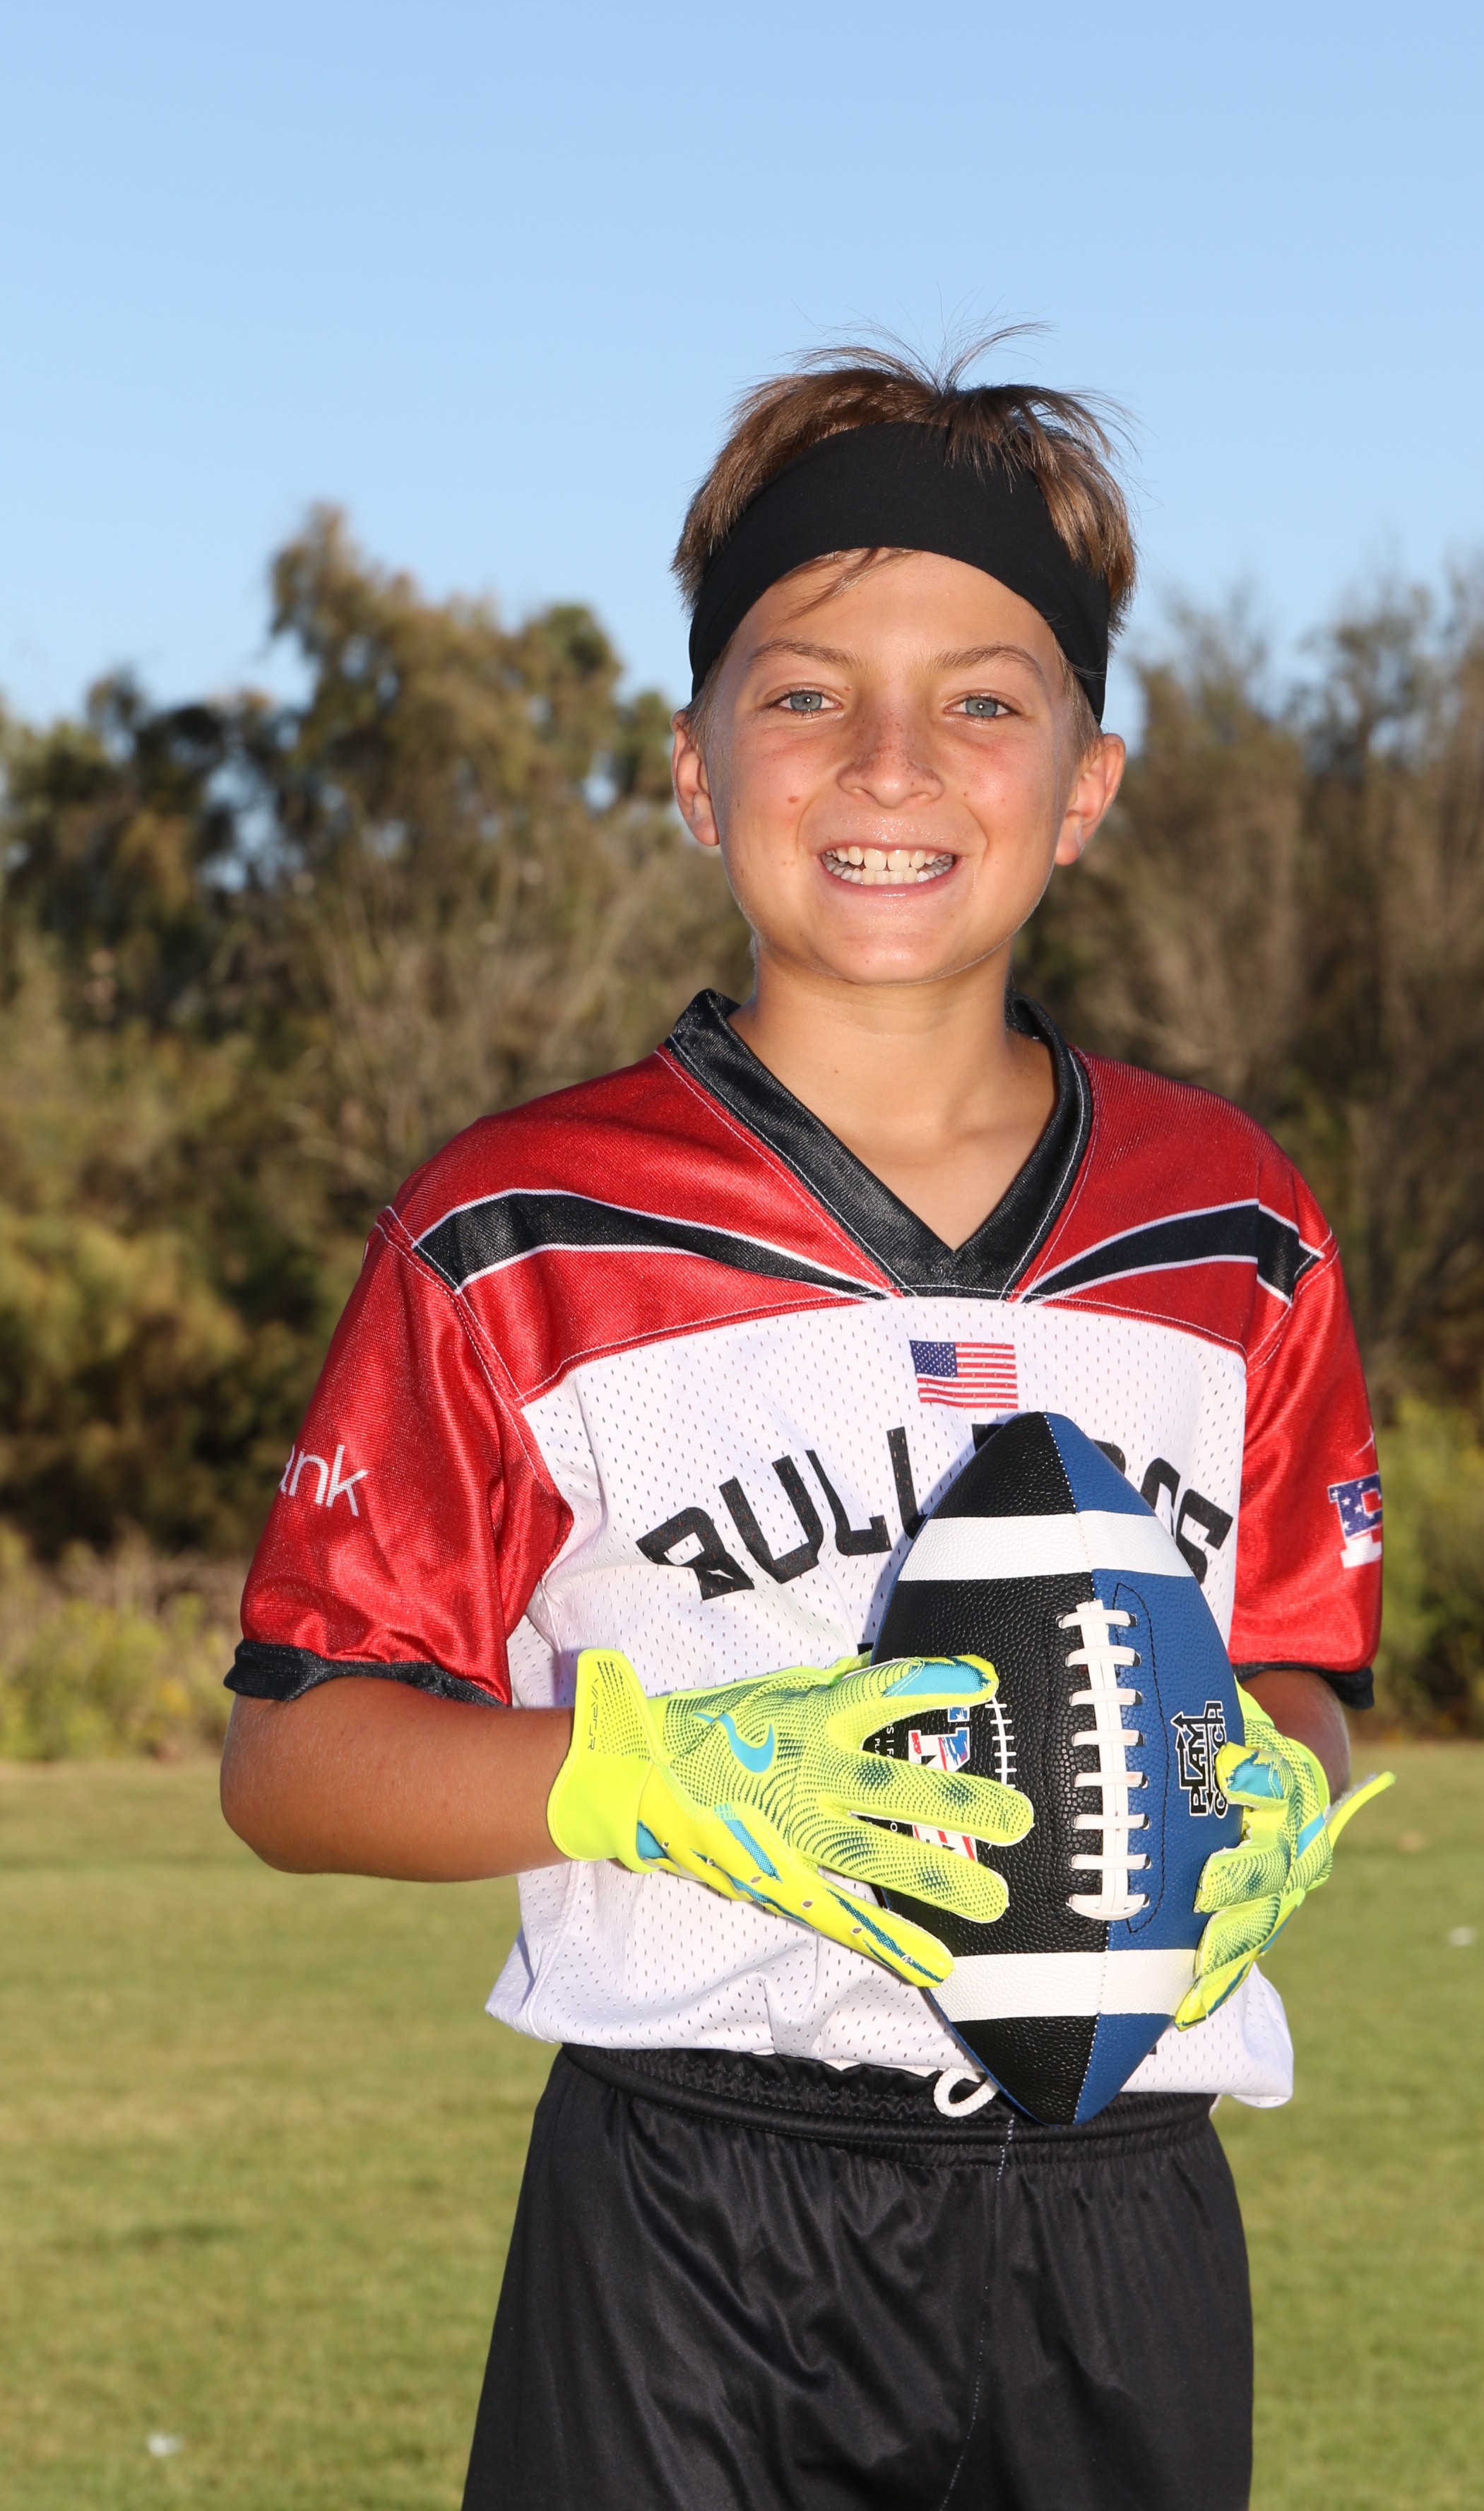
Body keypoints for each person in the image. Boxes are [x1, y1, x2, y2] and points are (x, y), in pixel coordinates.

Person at [221, 342, 1383, 2511]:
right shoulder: (521, 1228)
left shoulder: (1237, 1224)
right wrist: (655, 1779)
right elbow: (292, 1762)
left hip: (1122, 2198)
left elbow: (1304, 1664)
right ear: (693, 768)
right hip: (696, 2211)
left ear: (1089, 783)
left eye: (984, 701)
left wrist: (1273, 1784)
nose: (890, 762)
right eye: (806, 692)